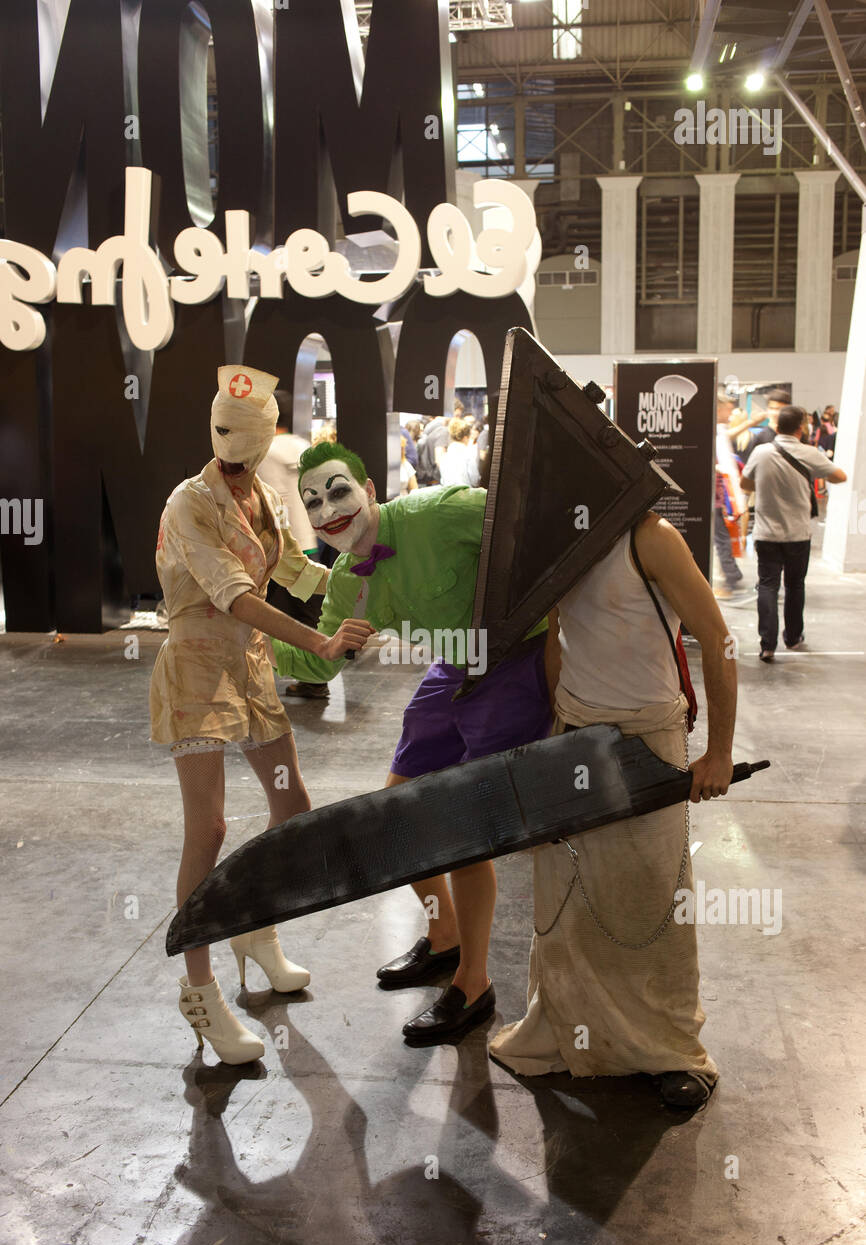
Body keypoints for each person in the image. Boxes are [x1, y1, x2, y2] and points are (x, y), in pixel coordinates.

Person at [271, 441, 553, 1046]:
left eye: (339, 490)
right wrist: (248, 636)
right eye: (313, 502)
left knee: (464, 825)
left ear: (371, 490)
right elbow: (321, 668)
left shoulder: (439, 511)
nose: (328, 511)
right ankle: (444, 934)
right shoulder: (349, 579)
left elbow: (535, 530)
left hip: (514, 659)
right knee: (397, 812)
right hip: (453, 667)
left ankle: (474, 985)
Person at [150, 367, 374, 1064]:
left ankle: (257, 925)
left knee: (293, 807)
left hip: (248, 668)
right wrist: (317, 641)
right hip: (196, 668)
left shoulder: (267, 497)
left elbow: (299, 572)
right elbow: (236, 595)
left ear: (268, 434)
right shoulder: (190, 503)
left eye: (245, 439)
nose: (231, 452)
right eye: (223, 434)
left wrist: (378, 561)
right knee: (208, 828)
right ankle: (200, 987)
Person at [490, 512, 737, 1109]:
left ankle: (669, 1050)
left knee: (650, 902)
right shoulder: (557, 536)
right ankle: (573, 1037)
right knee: (569, 899)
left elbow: (717, 637)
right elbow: (557, 637)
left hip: (649, 737)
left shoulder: (652, 538)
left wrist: (720, 752)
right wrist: (555, 736)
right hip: (574, 734)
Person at [741, 404, 847, 661]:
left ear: (778, 427)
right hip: (798, 534)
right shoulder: (808, 452)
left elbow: (745, 483)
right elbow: (840, 476)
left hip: (766, 533)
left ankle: (767, 644)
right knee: (795, 585)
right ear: (801, 428)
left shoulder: (761, 452)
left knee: (767, 585)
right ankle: (793, 638)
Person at [258, 409, 331, 700]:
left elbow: (271, 500)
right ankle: (313, 677)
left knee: (273, 616)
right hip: (308, 538)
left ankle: (313, 678)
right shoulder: (302, 447)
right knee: (306, 613)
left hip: (282, 545)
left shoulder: (268, 451)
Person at [713, 394, 747, 598]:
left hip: (721, 495)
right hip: (717, 497)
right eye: (728, 408)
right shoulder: (714, 432)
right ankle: (729, 574)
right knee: (722, 536)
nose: (731, 413)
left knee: (723, 535)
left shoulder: (719, 431)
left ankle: (731, 572)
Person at [439, 418, 479, 488]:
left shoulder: (445, 456)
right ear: (465, 437)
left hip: (448, 495)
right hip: (466, 495)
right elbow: (475, 480)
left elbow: (443, 481)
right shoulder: (468, 454)